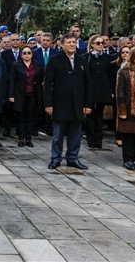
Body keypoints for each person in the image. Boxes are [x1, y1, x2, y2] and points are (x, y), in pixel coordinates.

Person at [44, 33, 92, 170]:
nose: (72, 44)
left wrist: (88, 104)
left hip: (77, 105)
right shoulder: (54, 60)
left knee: (75, 135)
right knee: (58, 135)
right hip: (59, 104)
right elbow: (47, 84)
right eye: (69, 42)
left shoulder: (81, 60)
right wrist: (48, 104)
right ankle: (55, 158)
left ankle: (72, 158)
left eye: (73, 42)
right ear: (62, 44)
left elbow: (88, 84)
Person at [9, 45, 43, 148]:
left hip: (33, 95)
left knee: (31, 116)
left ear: (32, 54)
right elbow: (12, 80)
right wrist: (11, 95)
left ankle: (28, 138)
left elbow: (41, 79)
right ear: (21, 55)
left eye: (29, 53)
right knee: (21, 117)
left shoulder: (38, 65)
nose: (27, 55)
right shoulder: (16, 65)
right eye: (24, 53)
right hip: (20, 95)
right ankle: (21, 138)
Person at [83, 34, 114, 149]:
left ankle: (98, 140)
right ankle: (91, 140)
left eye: (102, 43)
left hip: (103, 90)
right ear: (92, 44)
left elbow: (111, 76)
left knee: (100, 116)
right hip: (90, 90)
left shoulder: (108, 58)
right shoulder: (86, 57)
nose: (101, 45)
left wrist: (111, 90)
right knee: (90, 116)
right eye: (98, 43)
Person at [109, 46, 131, 147]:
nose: (125, 54)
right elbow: (111, 79)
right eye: (123, 52)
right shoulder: (115, 65)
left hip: (131, 94)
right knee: (118, 115)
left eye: (127, 52)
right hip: (118, 93)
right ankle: (119, 137)